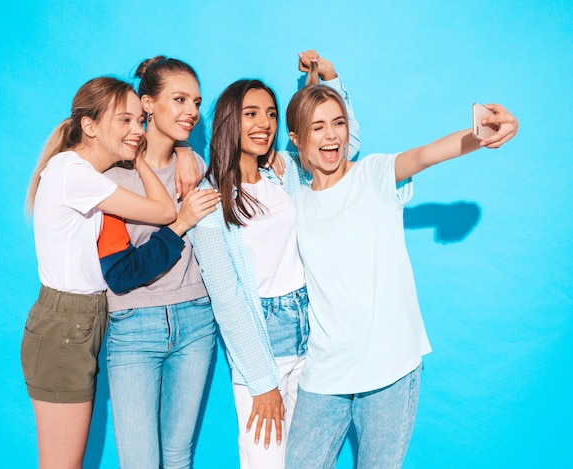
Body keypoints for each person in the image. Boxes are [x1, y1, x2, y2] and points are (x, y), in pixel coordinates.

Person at [283, 77, 519, 468]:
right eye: (317, 126)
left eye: (338, 123)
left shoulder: (373, 174)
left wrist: (485, 133)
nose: (331, 135)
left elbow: (428, 154)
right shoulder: (297, 199)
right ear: (296, 137)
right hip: (326, 369)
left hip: (389, 366)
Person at [187, 51, 359, 469]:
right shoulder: (209, 200)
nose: (263, 123)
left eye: (269, 113)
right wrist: (262, 382)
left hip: (313, 332)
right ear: (230, 121)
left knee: (313, 460)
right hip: (264, 341)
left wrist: (329, 80)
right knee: (267, 461)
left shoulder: (283, 174)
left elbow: (340, 147)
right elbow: (227, 298)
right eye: (250, 114)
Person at [20, 76, 182, 469]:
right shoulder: (74, 174)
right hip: (66, 328)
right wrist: (141, 159)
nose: (137, 131)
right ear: (89, 126)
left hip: (78, 323)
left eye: (140, 121)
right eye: (124, 121)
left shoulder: (81, 175)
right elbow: (165, 212)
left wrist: (147, 154)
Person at [102, 56, 220, 469]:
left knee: (177, 457)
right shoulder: (113, 178)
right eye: (180, 99)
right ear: (147, 104)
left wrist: (186, 150)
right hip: (134, 327)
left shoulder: (196, 167)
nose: (192, 111)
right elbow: (119, 275)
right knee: (139, 463)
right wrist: (181, 222)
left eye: (197, 101)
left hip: (197, 323)